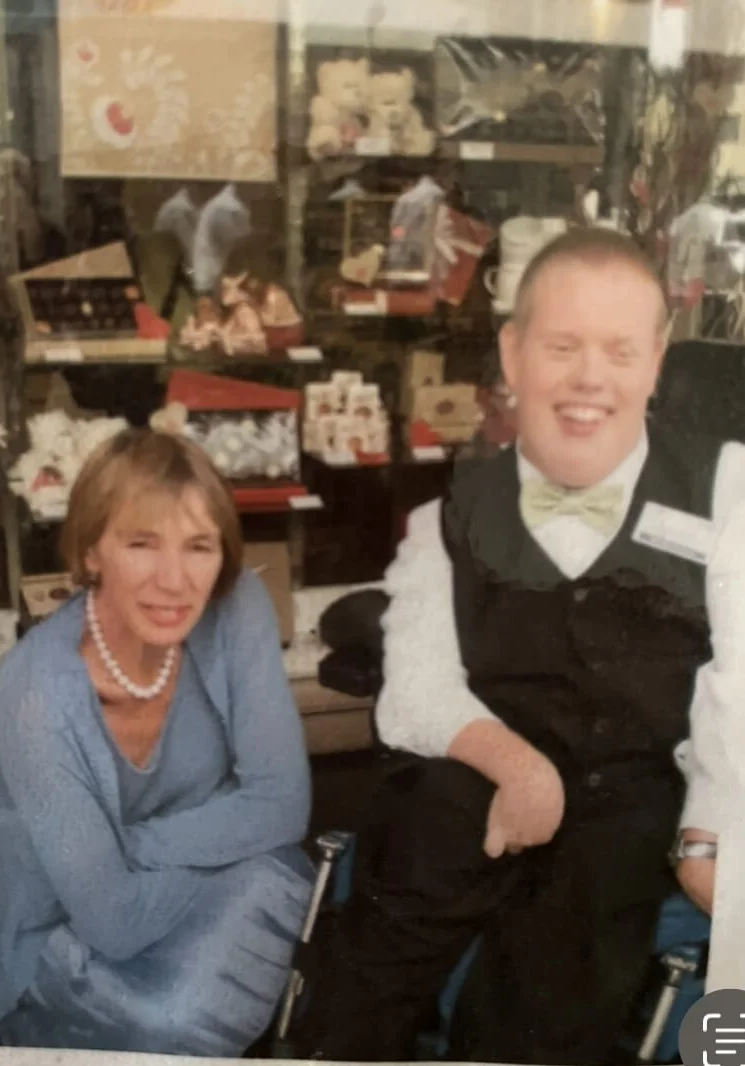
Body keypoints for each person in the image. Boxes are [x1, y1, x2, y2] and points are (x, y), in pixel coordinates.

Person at [295, 228, 745, 1064]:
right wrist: (518, 767)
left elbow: (740, 681)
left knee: (544, 1013)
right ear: (512, 353)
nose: (587, 378)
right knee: (365, 985)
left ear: (655, 360)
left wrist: (708, 836)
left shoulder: (726, 485)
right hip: (475, 777)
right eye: (561, 345)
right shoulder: (451, 509)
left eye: (617, 350)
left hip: (628, 806)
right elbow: (418, 687)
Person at [0, 428, 314, 1054]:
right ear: (91, 552)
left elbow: (281, 804)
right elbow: (111, 920)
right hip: (44, 901)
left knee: (189, 1006)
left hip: (149, 869)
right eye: (142, 543)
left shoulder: (238, 603)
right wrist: (234, 842)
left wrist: (134, 847)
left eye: (199, 546)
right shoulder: (36, 689)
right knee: (166, 1020)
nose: (175, 580)